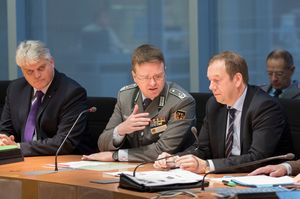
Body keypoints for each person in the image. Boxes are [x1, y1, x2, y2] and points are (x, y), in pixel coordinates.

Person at [154, 51, 291, 174]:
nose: (210, 87)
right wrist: (176, 159)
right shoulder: (214, 104)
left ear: (237, 79)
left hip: (261, 181)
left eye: (216, 80)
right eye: (210, 80)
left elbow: (257, 158)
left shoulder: (264, 107)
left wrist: (208, 165)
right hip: (223, 177)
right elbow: (203, 149)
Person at [82, 44, 196, 162]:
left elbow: (163, 150)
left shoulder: (181, 102)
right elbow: (103, 144)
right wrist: (121, 130)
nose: (153, 83)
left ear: (165, 71)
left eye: (158, 76)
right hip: (134, 169)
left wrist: (116, 156)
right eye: (145, 77)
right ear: (134, 77)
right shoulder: (126, 96)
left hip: (172, 170)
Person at [0, 40, 88, 156]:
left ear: (51, 62)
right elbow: (5, 129)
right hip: (23, 161)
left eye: (41, 68)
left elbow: (64, 142)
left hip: (61, 162)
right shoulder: (15, 89)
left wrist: (18, 147)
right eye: (29, 71)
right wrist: (4, 140)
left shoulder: (72, 93)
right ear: (22, 70)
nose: (36, 75)